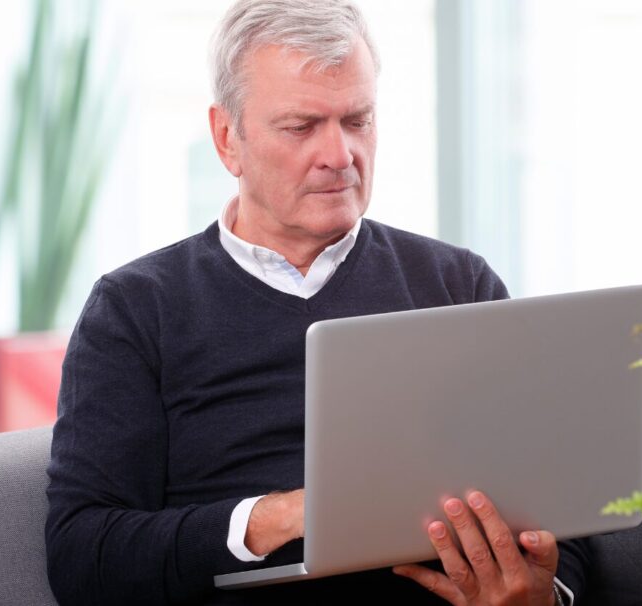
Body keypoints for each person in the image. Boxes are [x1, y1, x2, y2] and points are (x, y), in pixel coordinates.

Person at [45, 1, 588, 604]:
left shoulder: (458, 285)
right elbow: (82, 555)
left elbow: (565, 514)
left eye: (357, 121)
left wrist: (541, 591)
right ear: (228, 139)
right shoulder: (135, 308)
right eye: (302, 127)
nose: (338, 155)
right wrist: (277, 517)